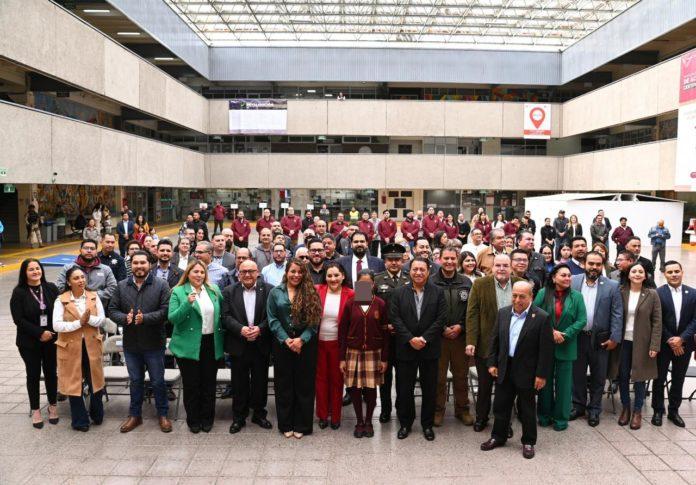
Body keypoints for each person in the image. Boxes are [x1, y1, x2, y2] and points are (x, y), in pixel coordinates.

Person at [480, 281, 553, 459]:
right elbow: (494, 341)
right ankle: (498, 436)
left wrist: (541, 375)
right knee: (501, 405)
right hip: (505, 367)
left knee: (527, 408)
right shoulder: (503, 313)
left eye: (522, 296)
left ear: (531, 297)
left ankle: (528, 442)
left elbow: (546, 350)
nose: (517, 299)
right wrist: (491, 363)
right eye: (515, 295)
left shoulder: (542, 317)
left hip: (528, 371)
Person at [108, 251, 172, 433]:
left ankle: (163, 415)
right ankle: (134, 415)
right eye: (135, 263)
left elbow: (166, 311)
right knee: (135, 380)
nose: (139, 266)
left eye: (142, 263)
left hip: (154, 343)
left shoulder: (161, 285)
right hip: (131, 343)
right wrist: (124, 318)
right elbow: (112, 310)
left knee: (158, 381)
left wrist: (145, 318)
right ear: (131, 265)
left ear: (149, 264)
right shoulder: (122, 286)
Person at [390, 257, 447, 441]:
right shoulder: (399, 292)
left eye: (422, 269)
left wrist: (423, 338)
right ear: (410, 271)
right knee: (404, 388)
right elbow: (395, 318)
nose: (418, 273)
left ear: (428, 271)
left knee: (429, 388)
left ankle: (427, 425)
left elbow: (441, 319)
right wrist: (410, 339)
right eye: (415, 269)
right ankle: (405, 423)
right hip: (406, 348)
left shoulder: (438, 292)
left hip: (429, 348)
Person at [267, 258, 322, 438]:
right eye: (293, 271)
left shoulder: (311, 292)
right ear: (287, 272)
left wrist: (301, 340)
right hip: (283, 346)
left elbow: (315, 321)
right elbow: (272, 319)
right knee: (284, 386)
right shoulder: (276, 292)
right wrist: (286, 340)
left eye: (300, 272)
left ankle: (302, 425)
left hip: (306, 345)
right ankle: (286, 424)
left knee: (304, 386)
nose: (296, 275)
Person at [466, 254, 521, 432]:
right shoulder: (480, 284)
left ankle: (503, 421)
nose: (501, 269)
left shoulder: (519, 283)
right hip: (486, 345)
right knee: (484, 385)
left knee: (506, 388)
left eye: (505, 265)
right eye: (498, 265)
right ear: (492, 267)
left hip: (512, 346)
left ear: (511, 267)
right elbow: (472, 314)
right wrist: (471, 341)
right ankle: (481, 418)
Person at [168, 260, 224, 433]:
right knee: (192, 385)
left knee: (209, 384)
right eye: (195, 272)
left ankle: (207, 419)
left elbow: (223, 312)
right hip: (188, 344)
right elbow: (173, 318)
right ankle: (193, 419)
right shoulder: (178, 291)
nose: (199, 275)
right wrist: (187, 303)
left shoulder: (214, 290)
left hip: (210, 342)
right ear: (188, 273)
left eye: (202, 272)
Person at [569, 251, 623, 426]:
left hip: (601, 340)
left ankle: (594, 409)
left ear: (603, 265)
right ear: (584, 263)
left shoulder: (612, 286)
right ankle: (578, 406)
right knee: (577, 374)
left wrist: (615, 337)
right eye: (591, 263)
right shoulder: (573, 281)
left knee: (599, 376)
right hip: (577, 338)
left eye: (598, 264)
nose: (594, 267)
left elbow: (617, 313)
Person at [222, 260, 274, 434]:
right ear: (238, 273)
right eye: (243, 271)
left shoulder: (269, 290)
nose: (247, 275)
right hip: (239, 344)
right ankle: (239, 417)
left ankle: (259, 414)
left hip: (261, 343)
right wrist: (241, 329)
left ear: (257, 272)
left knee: (260, 382)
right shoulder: (229, 291)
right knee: (239, 383)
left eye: (251, 271)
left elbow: (272, 316)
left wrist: (260, 329)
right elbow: (226, 316)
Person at [533, 263, 587, 431]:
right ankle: (544, 416)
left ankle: (561, 419)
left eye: (569, 275)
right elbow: (534, 314)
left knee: (564, 386)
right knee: (545, 383)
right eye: (563, 275)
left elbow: (582, 320)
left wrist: (566, 334)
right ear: (554, 277)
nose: (567, 278)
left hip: (567, 345)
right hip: (546, 345)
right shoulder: (543, 293)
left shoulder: (577, 296)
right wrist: (552, 332)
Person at [53, 266, 106, 431]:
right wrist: (78, 323)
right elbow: (56, 325)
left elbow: (102, 320)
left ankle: (97, 414)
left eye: (82, 277)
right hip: (70, 347)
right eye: (76, 278)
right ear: (69, 282)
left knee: (95, 381)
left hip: (91, 345)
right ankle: (79, 421)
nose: (81, 281)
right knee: (73, 384)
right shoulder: (61, 300)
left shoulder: (93, 297)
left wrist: (87, 320)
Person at [340, 269, 389, 438]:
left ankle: (368, 421)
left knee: (370, 389)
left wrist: (384, 358)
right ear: (356, 284)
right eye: (362, 283)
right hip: (353, 352)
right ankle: (359, 421)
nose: (365, 286)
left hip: (373, 352)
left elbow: (386, 333)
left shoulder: (380, 304)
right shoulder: (350, 303)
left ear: (373, 284)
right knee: (353, 388)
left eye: (368, 283)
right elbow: (342, 331)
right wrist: (342, 358)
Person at [10, 259, 60, 428]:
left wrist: (51, 333)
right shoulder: (19, 292)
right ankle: (36, 409)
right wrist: (40, 333)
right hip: (28, 342)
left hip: (51, 340)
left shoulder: (51, 288)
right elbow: (18, 319)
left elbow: (59, 313)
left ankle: (53, 406)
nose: (35, 272)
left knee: (51, 373)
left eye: (37, 268)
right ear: (25, 273)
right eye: (31, 269)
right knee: (33, 375)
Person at [613, 262, 662, 430]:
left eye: (641, 271)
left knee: (640, 377)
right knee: (624, 375)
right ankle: (625, 407)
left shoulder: (652, 294)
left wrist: (655, 345)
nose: (637, 274)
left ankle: (637, 411)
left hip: (643, 342)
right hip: (623, 342)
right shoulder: (620, 292)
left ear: (645, 276)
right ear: (628, 275)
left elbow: (657, 322)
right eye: (634, 271)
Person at [430, 245, 473, 427]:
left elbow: (471, 310)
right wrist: (441, 328)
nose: (449, 262)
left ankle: (462, 410)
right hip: (438, 338)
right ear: (439, 259)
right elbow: (427, 310)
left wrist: (461, 327)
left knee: (461, 376)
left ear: (458, 260)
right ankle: (438, 410)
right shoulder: (430, 281)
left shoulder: (466, 282)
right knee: (438, 378)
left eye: (453, 259)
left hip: (459, 337)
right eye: (445, 258)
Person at [651, 261, 696, 427]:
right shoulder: (657, 293)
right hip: (663, 344)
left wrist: (681, 339)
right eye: (670, 272)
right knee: (659, 378)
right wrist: (671, 339)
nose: (674, 274)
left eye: (677, 271)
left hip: (684, 345)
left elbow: (695, 320)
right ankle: (657, 410)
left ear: (682, 272)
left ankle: (674, 411)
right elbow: (656, 320)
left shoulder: (693, 293)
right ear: (665, 274)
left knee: (679, 378)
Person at [373, 244, 410, 423]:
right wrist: (383, 325)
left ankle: (402, 408)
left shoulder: (411, 278)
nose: (394, 263)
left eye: (397, 259)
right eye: (390, 260)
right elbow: (363, 306)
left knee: (404, 377)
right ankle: (385, 409)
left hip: (405, 338)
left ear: (403, 260)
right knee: (384, 377)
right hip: (384, 338)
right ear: (384, 261)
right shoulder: (374, 279)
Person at [315, 262, 354, 429]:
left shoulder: (353, 293)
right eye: (329, 275)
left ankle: (336, 416)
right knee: (320, 380)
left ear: (343, 276)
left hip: (340, 345)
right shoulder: (317, 289)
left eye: (336, 275)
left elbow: (365, 315)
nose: (333, 279)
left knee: (337, 381)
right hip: (318, 344)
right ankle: (323, 415)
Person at [56, 239, 117, 308]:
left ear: (96, 252)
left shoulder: (106, 269)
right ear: (80, 250)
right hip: (73, 307)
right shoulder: (68, 268)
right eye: (86, 248)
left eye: (92, 248)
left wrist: (95, 295)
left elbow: (113, 288)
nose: (89, 251)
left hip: (98, 308)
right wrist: (78, 295)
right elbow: (60, 287)